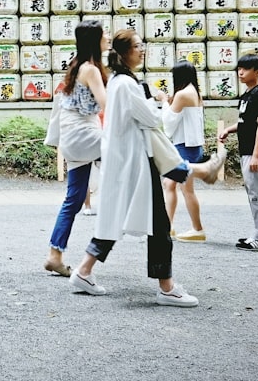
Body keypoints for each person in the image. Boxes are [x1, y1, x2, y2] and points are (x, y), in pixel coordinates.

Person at [69, 30, 199, 307]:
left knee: (115, 219)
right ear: (124, 52)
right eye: (138, 46)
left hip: (125, 161)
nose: (143, 50)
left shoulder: (117, 80)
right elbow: (152, 118)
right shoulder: (127, 84)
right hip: (135, 162)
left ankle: (84, 270)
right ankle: (166, 287)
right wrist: (156, 101)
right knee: (159, 224)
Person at [44, 20, 108, 277]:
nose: (109, 38)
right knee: (131, 150)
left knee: (73, 199)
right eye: (105, 35)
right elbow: (107, 104)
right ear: (96, 41)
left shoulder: (76, 66)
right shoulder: (91, 69)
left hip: (72, 138)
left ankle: (54, 255)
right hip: (85, 133)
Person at [217, 54, 258, 252]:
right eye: (239, 68)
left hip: (255, 152)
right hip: (248, 150)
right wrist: (228, 129)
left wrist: (256, 154)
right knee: (253, 191)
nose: (241, 72)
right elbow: (247, 122)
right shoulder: (248, 94)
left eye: (246, 69)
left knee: (256, 193)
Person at [163, 61, 209, 242]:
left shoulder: (183, 94)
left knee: (186, 189)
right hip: (189, 146)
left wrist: (163, 102)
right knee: (169, 184)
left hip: (185, 147)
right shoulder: (193, 92)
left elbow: (168, 122)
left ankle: (198, 229)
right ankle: (168, 226)